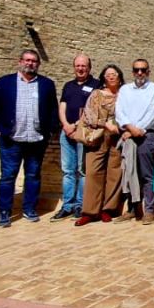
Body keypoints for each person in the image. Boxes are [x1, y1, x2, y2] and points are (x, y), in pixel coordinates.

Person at [0, 49, 57, 227]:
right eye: (27, 60)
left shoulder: (46, 84)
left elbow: (53, 109)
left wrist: (50, 131)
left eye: (34, 61)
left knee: (33, 175)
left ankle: (29, 208)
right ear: (20, 61)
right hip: (11, 139)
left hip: (36, 139)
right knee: (8, 176)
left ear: (38, 64)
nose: (30, 63)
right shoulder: (4, 82)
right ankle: (4, 211)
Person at [116, 58, 154, 225]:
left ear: (148, 71)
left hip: (147, 135)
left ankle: (149, 209)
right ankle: (132, 209)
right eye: (137, 70)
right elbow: (119, 111)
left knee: (146, 174)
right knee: (129, 172)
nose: (140, 73)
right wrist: (129, 128)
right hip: (128, 134)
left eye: (143, 69)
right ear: (133, 72)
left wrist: (138, 130)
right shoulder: (125, 90)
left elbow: (153, 112)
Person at [75, 64, 124, 226]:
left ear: (119, 77)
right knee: (93, 173)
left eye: (114, 74)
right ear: (104, 78)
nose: (111, 76)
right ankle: (90, 211)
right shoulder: (97, 94)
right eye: (108, 74)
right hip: (98, 137)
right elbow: (89, 115)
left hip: (117, 138)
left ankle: (108, 209)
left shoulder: (124, 94)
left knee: (114, 173)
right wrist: (105, 124)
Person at [53, 55, 98, 221]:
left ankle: (80, 205)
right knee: (67, 171)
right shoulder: (68, 85)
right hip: (66, 133)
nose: (80, 68)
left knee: (81, 170)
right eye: (78, 66)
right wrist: (65, 125)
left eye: (84, 66)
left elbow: (92, 109)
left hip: (83, 132)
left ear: (89, 67)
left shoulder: (96, 85)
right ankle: (67, 206)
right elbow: (62, 106)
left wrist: (75, 125)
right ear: (74, 67)